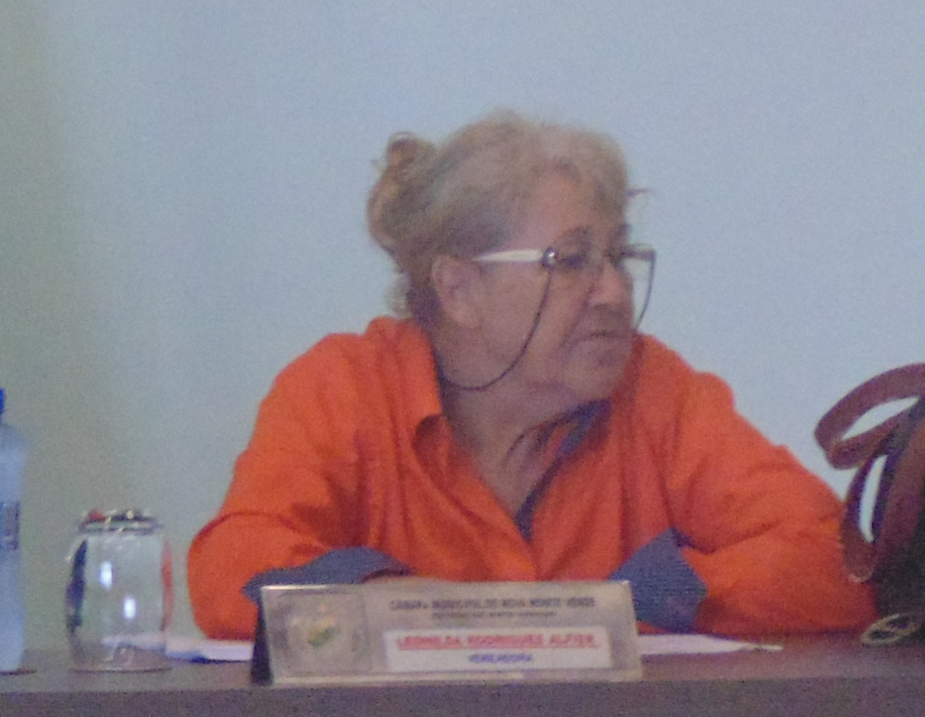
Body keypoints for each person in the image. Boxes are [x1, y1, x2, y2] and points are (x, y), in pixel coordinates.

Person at [188, 113, 874, 642]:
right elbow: (232, 572)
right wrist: (399, 606)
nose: (613, 292)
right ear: (459, 289)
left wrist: (619, 608)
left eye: (619, 257)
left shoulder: (654, 389)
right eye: (571, 261)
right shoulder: (344, 387)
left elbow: (836, 563)